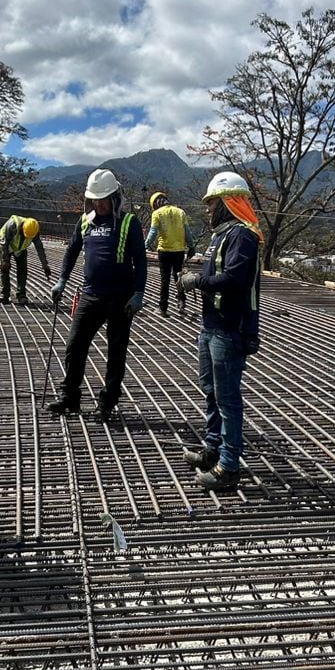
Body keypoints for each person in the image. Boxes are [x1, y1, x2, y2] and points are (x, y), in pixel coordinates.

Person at [179, 171, 262, 490]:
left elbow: (235, 280)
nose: (208, 208)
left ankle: (228, 467)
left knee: (227, 399)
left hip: (229, 328)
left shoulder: (242, 236)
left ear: (228, 203)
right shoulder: (221, 237)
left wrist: (197, 281)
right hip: (211, 326)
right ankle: (212, 450)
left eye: (212, 203)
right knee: (212, 392)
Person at [48, 169, 147, 422]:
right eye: (94, 200)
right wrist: (62, 280)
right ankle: (70, 397)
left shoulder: (129, 222)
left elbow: (140, 260)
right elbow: (72, 251)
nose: (99, 204)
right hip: (91, 295)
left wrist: (138, 293)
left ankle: (107, 402)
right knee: (75, 346)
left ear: (114, 198)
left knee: (116, 352)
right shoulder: (85, 221)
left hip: (121, 299)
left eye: (103, 200)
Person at [145, 190, 196, 317]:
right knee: (179, 277)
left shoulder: (157, 213)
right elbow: (187, 232)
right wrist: (191, 247)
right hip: (179, 251)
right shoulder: (180, 212)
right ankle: (181, 302)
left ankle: (163, 308)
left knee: (165, 280)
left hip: (164, 251)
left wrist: (144, 246)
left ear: (155, 204)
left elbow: (153, 233)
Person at [0, 215, 50, 305]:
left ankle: (21, 295)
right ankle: (4, 295)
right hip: (6, 246)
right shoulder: (12, 225)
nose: (26, 238)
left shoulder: (34, 230)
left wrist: (45, 265)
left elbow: (39, 248)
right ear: (22, 228)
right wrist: (5, 260)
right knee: (4, 268)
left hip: (21, 249)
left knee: (22, 270)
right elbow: (4, 244)